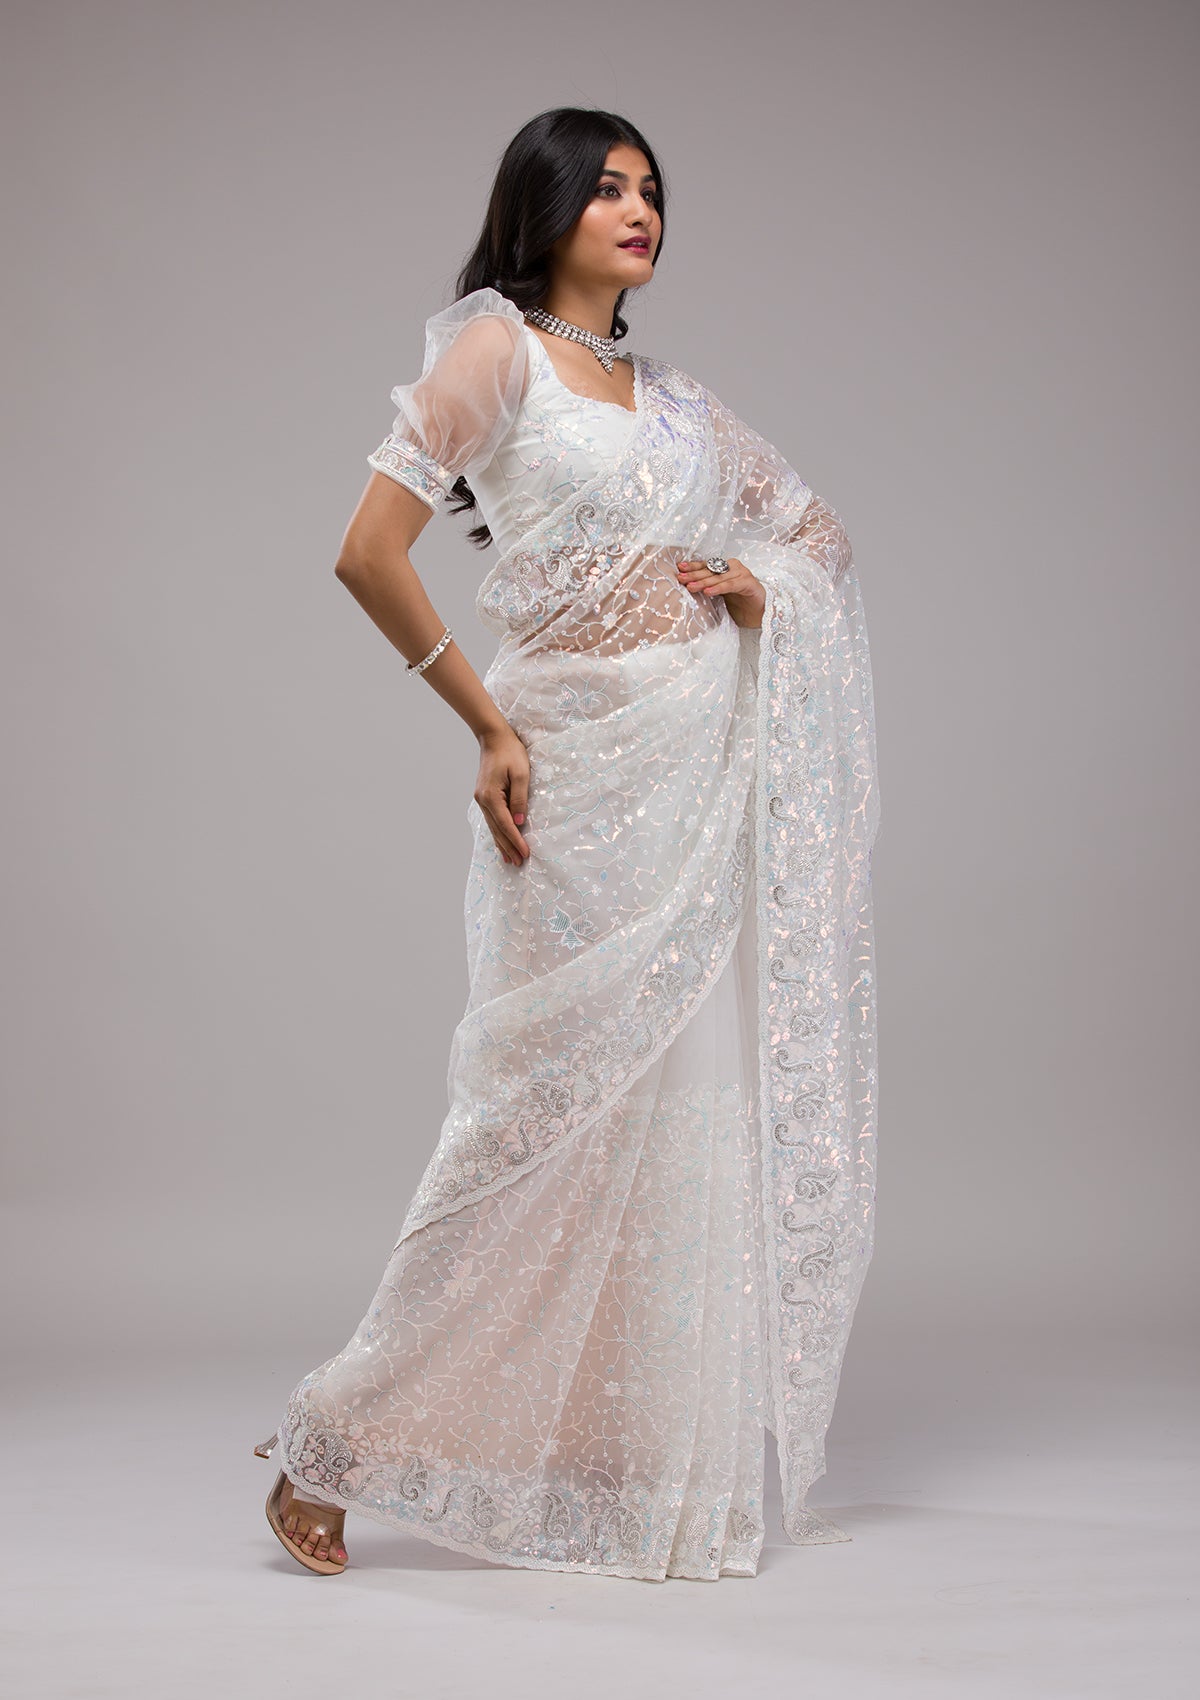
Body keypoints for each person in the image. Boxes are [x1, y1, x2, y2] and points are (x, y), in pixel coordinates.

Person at [254, 106, 881, 1584]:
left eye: (651, 189)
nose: (638, 208)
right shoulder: (497, 353)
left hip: (693, 777)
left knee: (674, 1111)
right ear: (542, 207)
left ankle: (632, 1463)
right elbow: (365, 551)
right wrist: (484, 723)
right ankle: (327, 1446)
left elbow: (818, 536)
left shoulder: (677, 401)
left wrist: (755, 583)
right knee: (527, 1117)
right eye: (606, 187)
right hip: (572, 780)